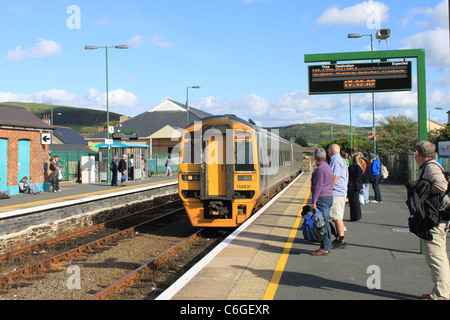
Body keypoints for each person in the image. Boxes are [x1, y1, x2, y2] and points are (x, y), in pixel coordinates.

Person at [413, 141, 450, 300]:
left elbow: (442, 186)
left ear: (417, 154)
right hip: (439, 218)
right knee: (437, 257)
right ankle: (441, 291)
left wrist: (424, 191)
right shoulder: (433, 165)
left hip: (435, 219)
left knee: (436, 258)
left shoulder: (431, 167)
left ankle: (441, 295)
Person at [310, 148, 334, 256]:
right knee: (325, 222)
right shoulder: (327, 167)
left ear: (315, 158)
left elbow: (318, 186)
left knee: (322, 224)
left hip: (322, 198)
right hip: (329, 197)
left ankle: (325, 247)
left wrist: (314, 201)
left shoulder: (320, 169)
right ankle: (327, 246)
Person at [328, 144, 349, 249]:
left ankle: (341, 239)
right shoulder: (339, 159)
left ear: (331, 151)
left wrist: (328, 189)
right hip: (340, 192)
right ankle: (339, 238)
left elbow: (334, 177)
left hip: (337, 192)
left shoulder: (335, 161)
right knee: (337, 217)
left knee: (337, 217)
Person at [347, 154, 364, 221]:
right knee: (356, 201)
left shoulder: (351, 168)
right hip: (358, 185)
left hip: (352, 185)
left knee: (352, 202)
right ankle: (358, 215)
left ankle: (353, 216)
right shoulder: (360, 168)